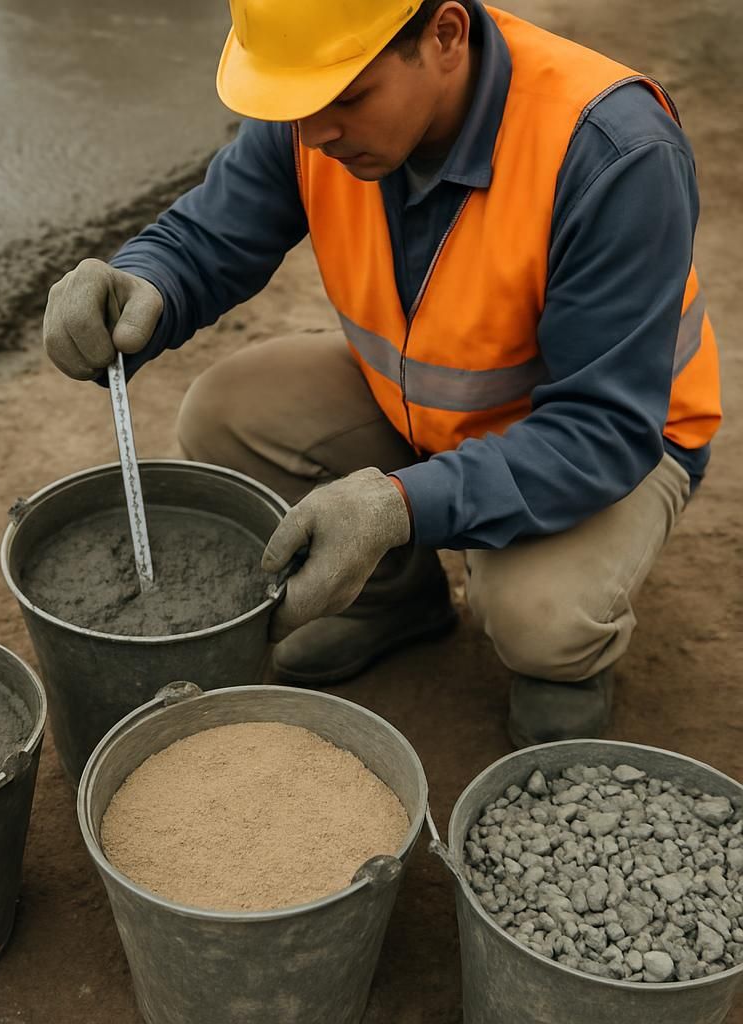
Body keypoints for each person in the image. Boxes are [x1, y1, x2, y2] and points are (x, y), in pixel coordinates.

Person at [41, 0, 721, 747]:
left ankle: (567, 664)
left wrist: (395, 507)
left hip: (605, 444)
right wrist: (142, 282)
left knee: (537, 614)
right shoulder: (314, 103)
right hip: (425, 413)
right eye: (299, 106)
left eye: (349, 98)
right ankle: (395, 599)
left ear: (446, 35)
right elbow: (208, 236)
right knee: (228, 412)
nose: (314, 134)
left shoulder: (612, 151)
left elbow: (602, 431)